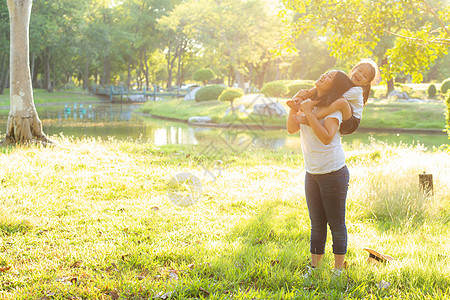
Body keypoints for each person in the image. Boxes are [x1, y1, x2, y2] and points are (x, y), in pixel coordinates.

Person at [286, 69, 354, 276]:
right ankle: (314, 269)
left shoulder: (332, 109)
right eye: (325, 73)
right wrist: (294, 107)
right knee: (316, 222)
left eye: (330, 77)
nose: (324, 76)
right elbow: (291, 129)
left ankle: (337, 271)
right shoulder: (309, 103)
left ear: (334, 86)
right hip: (312, 172)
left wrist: (307, 112)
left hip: (333, 172)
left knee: (336, 222)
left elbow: (327, 137)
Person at [287, 59, 379, 135]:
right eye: (359, 71)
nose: (360, 75)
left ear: (366, 83)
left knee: (341, 102)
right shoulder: (346, 83)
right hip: (345, 114)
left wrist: (312, 103)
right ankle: (298, 104)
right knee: (326, 94)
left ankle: (309, 119)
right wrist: (306, 94)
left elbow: (334, 97)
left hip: (351, 122)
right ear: (353, 70)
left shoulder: (356, 91)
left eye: (364, 76)